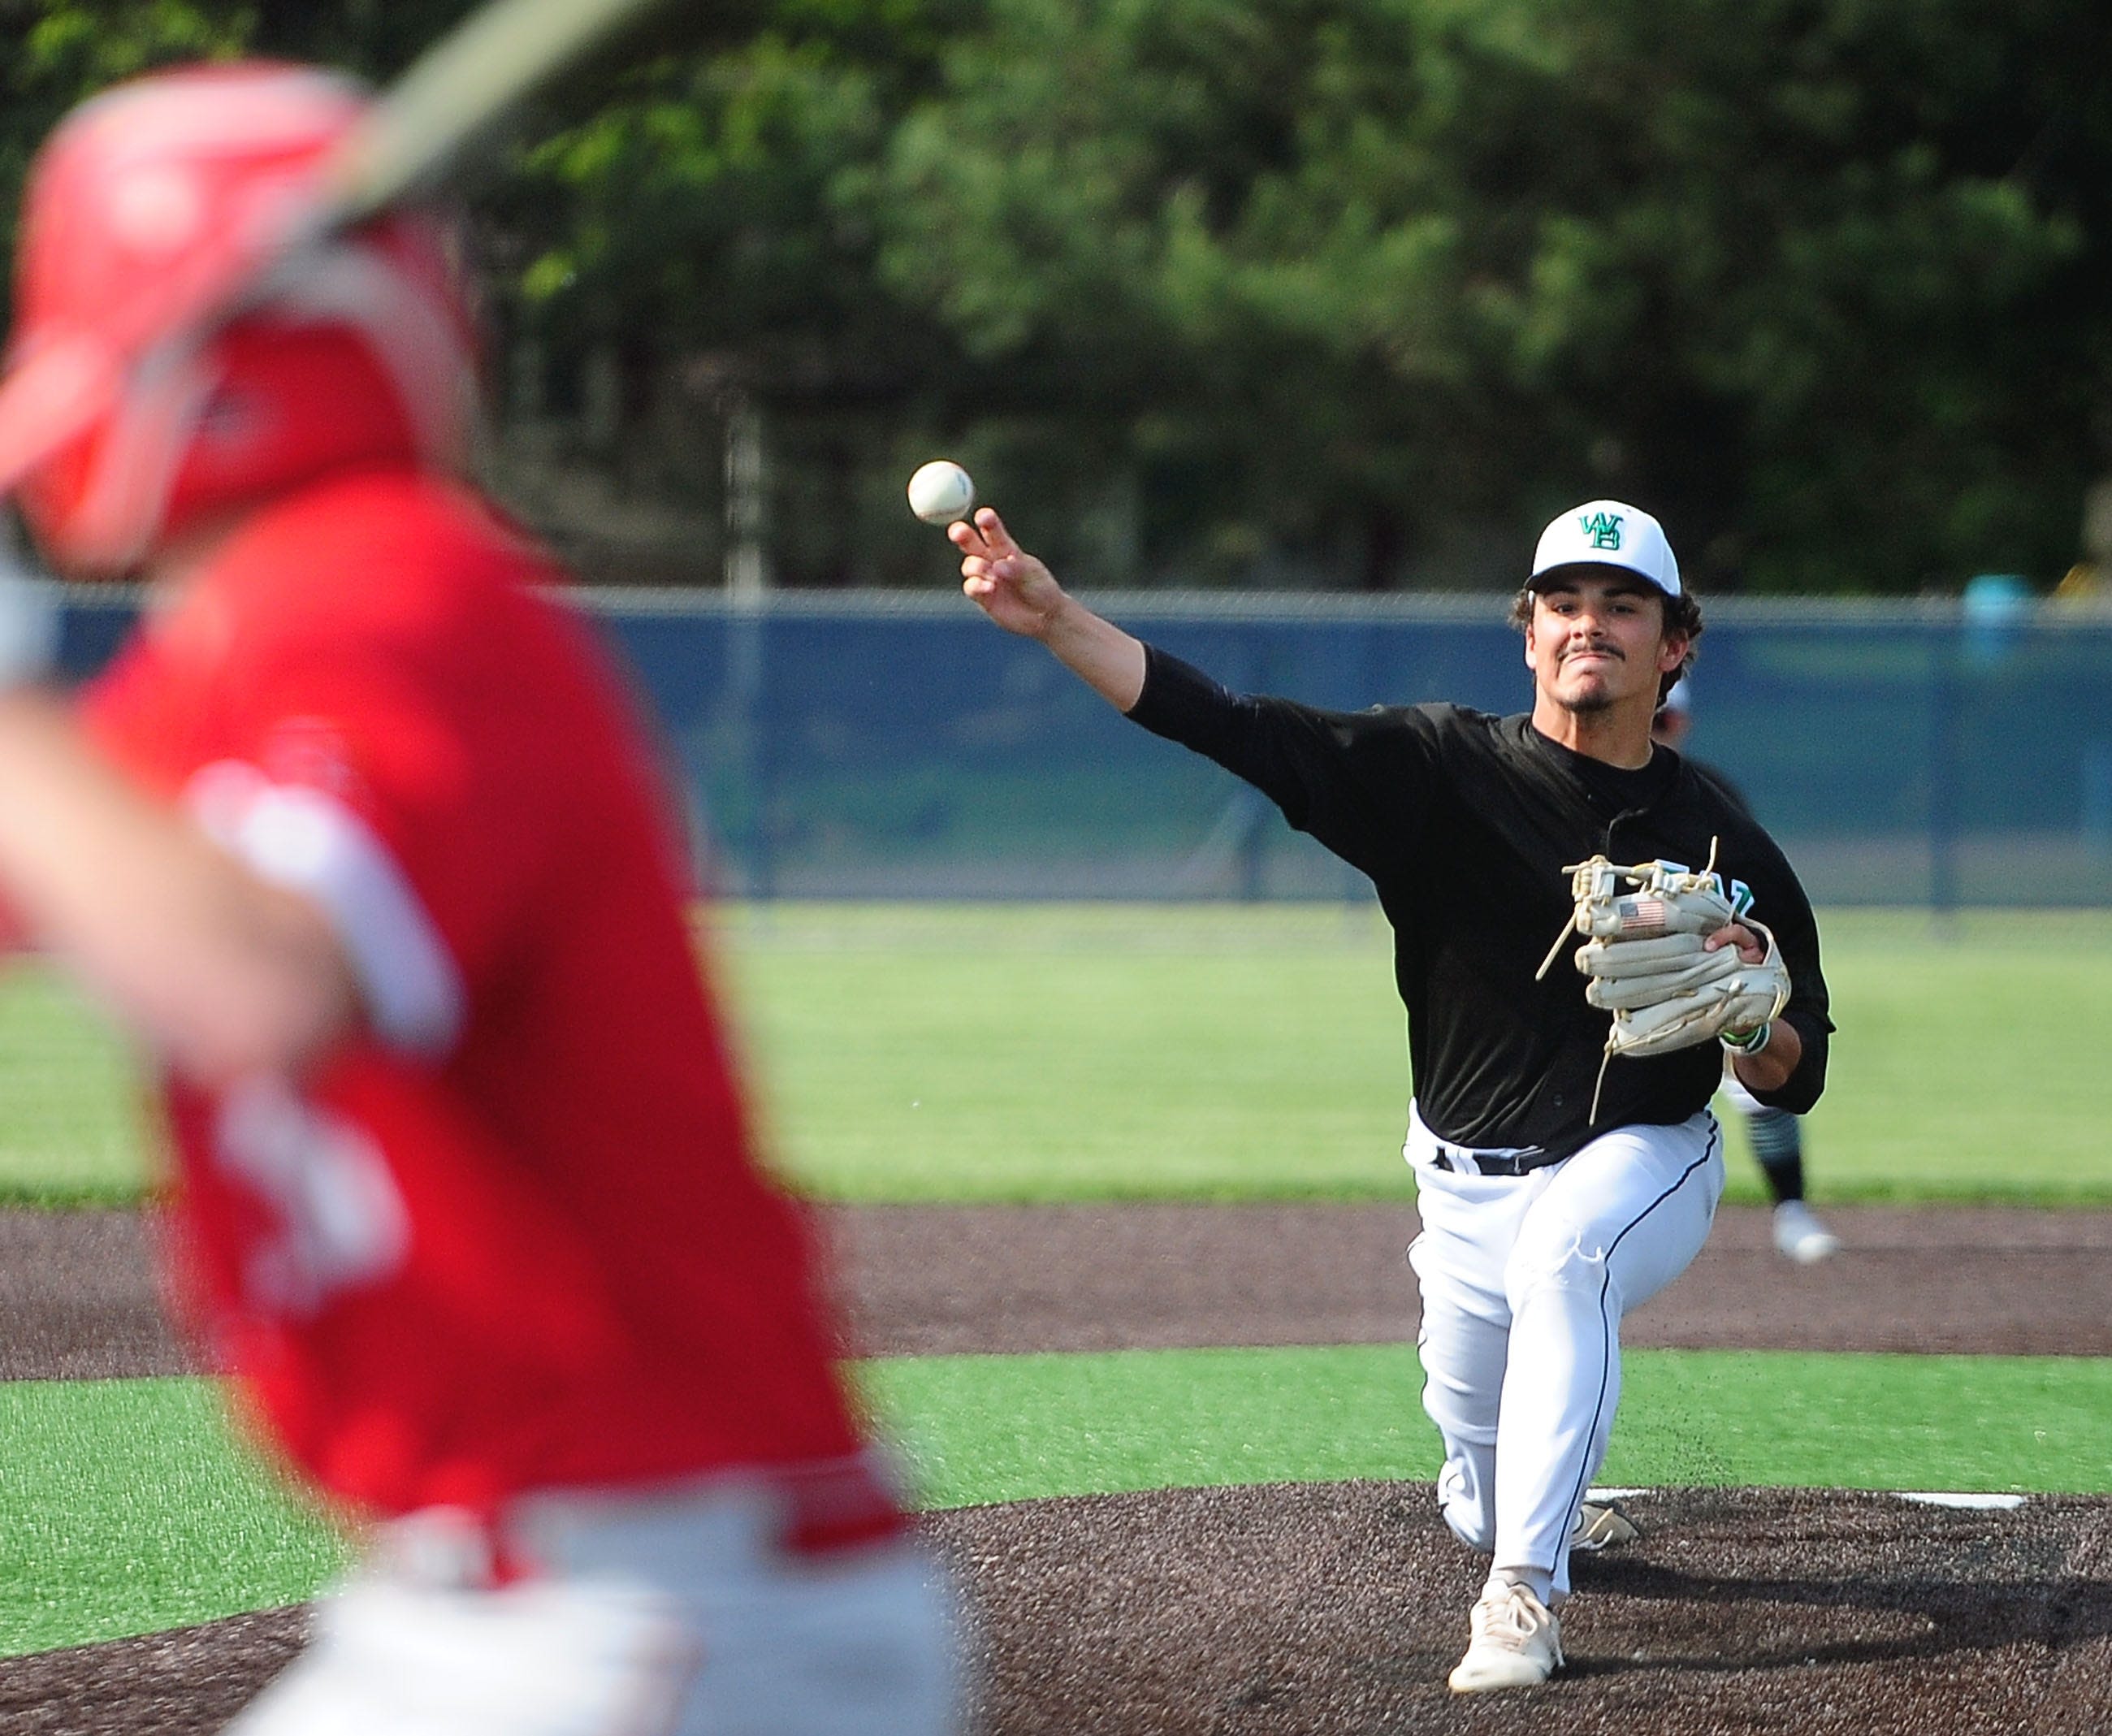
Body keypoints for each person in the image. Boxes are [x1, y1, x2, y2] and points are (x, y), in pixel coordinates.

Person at [0, 63, 958, 1735]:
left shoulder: (386, 582)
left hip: (655, 1620)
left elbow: (265, 985)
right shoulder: (221, 652)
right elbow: (90, 876)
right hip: (545, 1607)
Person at [953, 496, 1829, 1694]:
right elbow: (1231, 725)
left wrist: (1749, 1020)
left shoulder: (1723, 839)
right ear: (1527, 632)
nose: (1592, 625)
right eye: (1566, 603)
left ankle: (1524, 1594)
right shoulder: (1438, 769)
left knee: (1569, 1260)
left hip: (1643, 1153)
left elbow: (1802, 1068)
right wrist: (1056, 620)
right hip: (1459, 1180)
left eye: (1625, 607)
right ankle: (1517, 1514)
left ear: (1675, 644)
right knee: (1476, 1476)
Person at [1651, 681, 1841, 1263]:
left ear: (1681, 723)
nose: (1657, 729)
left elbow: (1751, 891)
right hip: (1620, 982)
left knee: (1761, 1085)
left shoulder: (1712, 795)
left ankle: (1792, 1210)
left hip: (1710, 969)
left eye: (1665, 718)